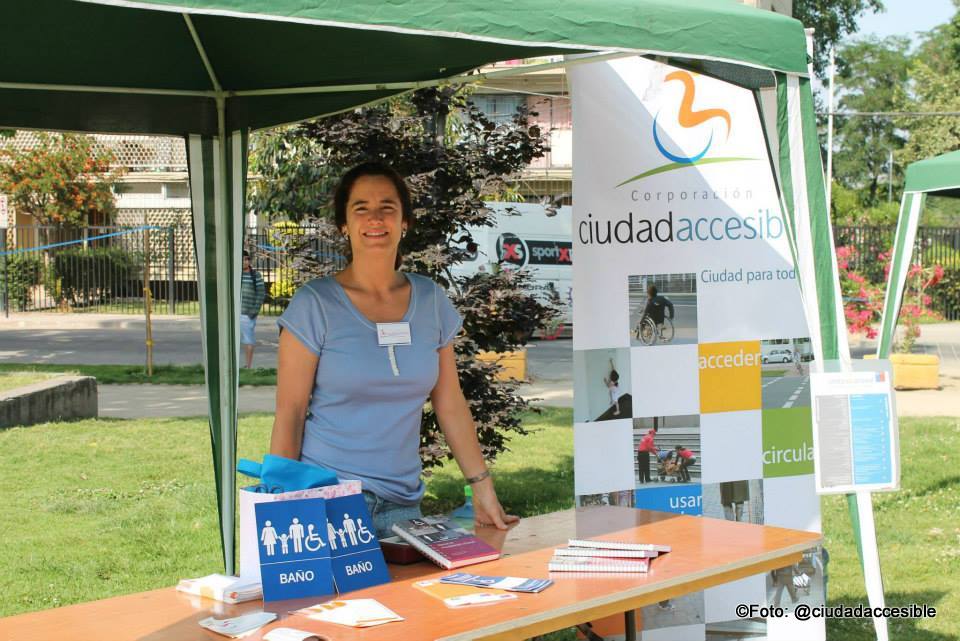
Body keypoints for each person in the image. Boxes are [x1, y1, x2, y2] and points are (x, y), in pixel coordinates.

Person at [270, 162, 518, 540]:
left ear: (404, 222)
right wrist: (285, 513)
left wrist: (481, 486)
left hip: (403, 508)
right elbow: (290, 414)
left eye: (388, 207)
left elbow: (450, 401)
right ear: (343, 225)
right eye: (361, 208)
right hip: (328, 505)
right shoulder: (314, 305)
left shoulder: (431, 300)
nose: (375, 218)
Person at [240, 250, 267, 369]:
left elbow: (261, 294)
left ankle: (248, 366)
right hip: (234, 313)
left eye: (247, 259)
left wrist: (254, 311)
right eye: (243, 259)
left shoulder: (255, 275)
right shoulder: (235, 275)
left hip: (247, 314)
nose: (245, 262)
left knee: (248, 339)